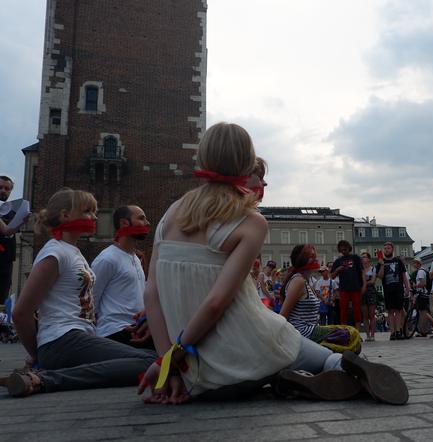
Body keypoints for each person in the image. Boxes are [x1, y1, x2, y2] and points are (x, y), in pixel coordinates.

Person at [138, 122, 408, 404]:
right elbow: (216, 302)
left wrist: (167, 361)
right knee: (317, 354)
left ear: (202, 157)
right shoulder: (250, 221)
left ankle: (288, 379)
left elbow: (151, 293)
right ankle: (327, 368)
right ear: (246, 162)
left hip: (196, 378)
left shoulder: (171, 214)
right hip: (247, 359)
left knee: (278, 353)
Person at [1, 188, 155, 397]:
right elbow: (21, 313)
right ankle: (44, 379)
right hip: (62, 339)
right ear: (65, 215)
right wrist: (38, 354)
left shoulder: (72, 252)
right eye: (88, 211)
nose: (94, 217)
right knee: (150, 362)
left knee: (151, 357)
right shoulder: (54, 252)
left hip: (77, 338)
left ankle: (46, 374)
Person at [91, 205, 153, 348]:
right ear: (124, 223)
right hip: (115, 333)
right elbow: (90, 302)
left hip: (138, 330)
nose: (147, 223)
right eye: (141, 218)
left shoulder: (136, 258)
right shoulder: (107, 259)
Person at [0, 175, 29, 305]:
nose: (3, 191)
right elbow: (6, 230)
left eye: (7, 189)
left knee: (2, 294)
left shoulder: (11, 212)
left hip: (6, 259)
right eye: (0, 187)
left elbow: (10, 232)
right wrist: (21, 221)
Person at [377, 242, 410, 340]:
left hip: (398, 289)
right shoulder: (381, 262)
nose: (386, 250)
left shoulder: (398, 261)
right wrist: (382, 265)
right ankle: (392, 332)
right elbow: (380, 276)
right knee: (391, 311)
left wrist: (407, 287)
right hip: (387, 289)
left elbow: (404, 275)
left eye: (388, 248)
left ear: (392, 249)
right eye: (385, 248)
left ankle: (398, 330)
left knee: (399, 310)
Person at [331, 240, 366, 330]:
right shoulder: (338, 261)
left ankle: (357, 333)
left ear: (348, 248)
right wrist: (337, 269)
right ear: (339, 250)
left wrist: (364, 285)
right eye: (341, 249)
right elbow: (332, 276)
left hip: (356, 288)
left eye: (345, 248)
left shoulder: (355, 258)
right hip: (344, 289)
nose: (343, 250)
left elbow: (362, 272)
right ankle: (344, 333)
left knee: (357, 311)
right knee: (343, 312)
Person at [411, 257, 433, 337]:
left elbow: (423, 283)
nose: (413, 265)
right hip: (425, 294)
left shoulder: (420, 272)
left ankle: (425, 330)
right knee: (423, 312)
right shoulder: (423, 271)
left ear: (418, 263)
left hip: (422, 294)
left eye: (414, 263)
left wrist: (415, 285)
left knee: (423, 312)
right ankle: (428, 327)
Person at [360, 252, 378, 341]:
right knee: (365, 315)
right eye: (362, 257)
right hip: (363, 292)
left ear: (368, 259)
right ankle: (367, 335)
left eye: (364, 257)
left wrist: (363, 283)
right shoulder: (360, 269)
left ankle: (373, 335)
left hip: (370, 291)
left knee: (372, 314)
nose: (363, 259)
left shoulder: (373, 268)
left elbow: (373, 281)